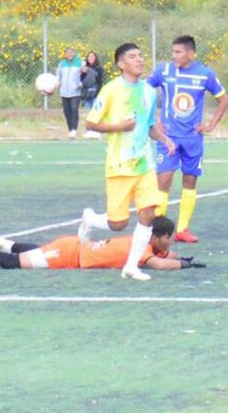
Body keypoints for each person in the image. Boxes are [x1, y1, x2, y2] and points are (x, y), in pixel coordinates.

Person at [78, 42, 177, 281]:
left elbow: (149, 125)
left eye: (140, 56)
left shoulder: (149, 92)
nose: (139, 60)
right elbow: (91, 123)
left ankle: (131, 267)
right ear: (121, 64)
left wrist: (165, 140)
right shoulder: (111, 90)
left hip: (145, 165)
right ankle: (90, 219)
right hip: (119, 166)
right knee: (118, 224)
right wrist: (119, 127)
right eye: (132, 57)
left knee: (148, 214)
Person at [147, 35, 228, 243]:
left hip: (193, 139)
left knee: (190, 181)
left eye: (179, 52)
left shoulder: (205, 74)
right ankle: (156, 232)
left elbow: (223, 99)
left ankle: (182, 229)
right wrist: (153, 121)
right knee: (163, 181)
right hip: (168, 138)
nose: (174, 56)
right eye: (173, 52)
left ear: (191, 53)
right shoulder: (163, 71)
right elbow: (143, 91)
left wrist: (210, 125)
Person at [0, 216, 206, 272]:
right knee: (13, 265)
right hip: (70, 255)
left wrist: (180, 257)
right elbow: (159, 264)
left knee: (36, 253)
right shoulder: (145, 251)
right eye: (168, 237)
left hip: (73, 249)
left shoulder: (143, 242)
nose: (170, 241)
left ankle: (11, 244)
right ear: (156, 237)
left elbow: (164, 255)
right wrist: (184, 265)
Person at [56, 47, 82, 139]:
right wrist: (57, 83)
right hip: (64, 92)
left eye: (71, 52)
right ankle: (70, 129)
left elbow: (84, 75)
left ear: (74, 53)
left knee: (74, 109)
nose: (69, 54)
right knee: (67, 112)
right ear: (65, 54)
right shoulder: (62, 64)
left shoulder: (80, 63)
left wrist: (81, 83)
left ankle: (74, 129)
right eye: (67, 53)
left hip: (75, 92)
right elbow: (58, 75)